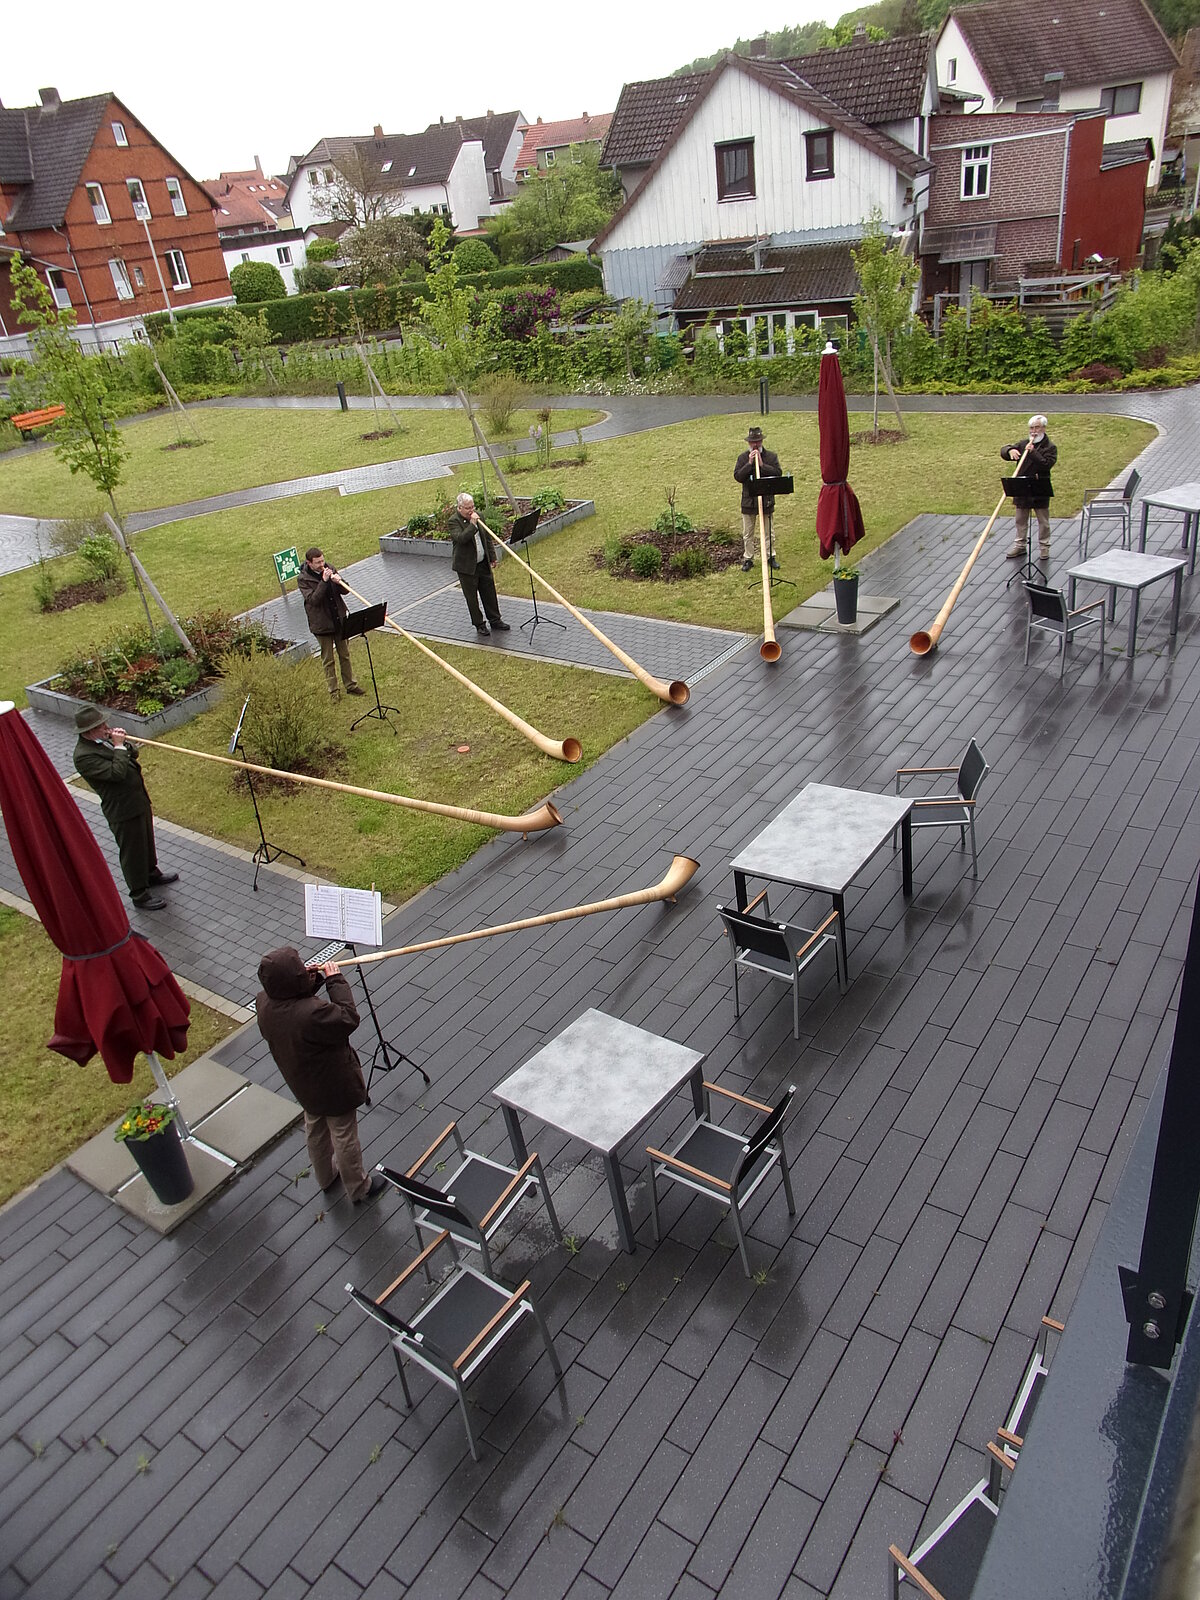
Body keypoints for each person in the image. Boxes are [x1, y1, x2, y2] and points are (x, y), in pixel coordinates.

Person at [255, 947, 386, 1206]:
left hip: (303, 1084)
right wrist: (335, 980)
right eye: (300, 969)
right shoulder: (312, 1014)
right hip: (333, 1085)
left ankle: (325, 1178)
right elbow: (347, 1017)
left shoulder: (264, 1003)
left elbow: (291, 1000)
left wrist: (311, 980)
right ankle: (358, 1188)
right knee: (344, 1134)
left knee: (315, 1129)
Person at [72, 707, 178, 910]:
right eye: (101, 725)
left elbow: (133, 754)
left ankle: (151, 873)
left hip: (138, 801)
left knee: (146, 841)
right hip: (122, 810)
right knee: (132, 851)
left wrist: (123, 744)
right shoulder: (84, 756)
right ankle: (139, 894)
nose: (106, 727)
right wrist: (119, 747)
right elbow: (116, 773)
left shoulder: (104, 742)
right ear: (89, 731)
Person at [298, 547, 365, 701]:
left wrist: (339, 581)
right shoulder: (303, 579)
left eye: (323, 560)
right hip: (321, 624)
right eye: (318, 562)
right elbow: (314, 600)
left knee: (345, 655)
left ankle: (351, 685)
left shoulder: (330, 567)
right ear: (309, 563)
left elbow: (345, 591)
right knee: (328, 659)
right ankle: (333, 691)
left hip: (338, 620)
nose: (322, 564)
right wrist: (324, 581)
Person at [446, 492, 511, 636]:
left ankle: (495, 620)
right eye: (468, 508)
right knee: (472, 598)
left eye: (472, 506)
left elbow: (487, 538)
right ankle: (479, 625)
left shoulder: (479, 515)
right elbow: (461, 538)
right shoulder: (453, 521)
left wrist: (492, 557)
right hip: (466, 567)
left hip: (482, 562)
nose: (471, 510)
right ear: (460, 508)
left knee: (489, 593)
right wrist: (472, 524)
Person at [1003, 415, 1057, 562]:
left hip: (1040, 488)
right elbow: (1005, 450)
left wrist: (1033, 452)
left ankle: (1044, 547)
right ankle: (1020, 545)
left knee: (1043, 521)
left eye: (1037, 427)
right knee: (1020, 519)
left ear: (1043, 428)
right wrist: (1009, 451)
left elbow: (1046, 464)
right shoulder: (1023, 443)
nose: (1034, 431)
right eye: (1031, 428)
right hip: (1022, 488)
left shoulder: (1050, 447)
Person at [734, 426, 783, 572]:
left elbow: (777, 473)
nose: (755, 444)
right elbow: (738, 476)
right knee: (748, 533)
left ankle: (770, 556)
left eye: (758, 441)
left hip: (766, 500)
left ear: (761, 441)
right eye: (752, 442)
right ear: (748, 443)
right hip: (749, 501)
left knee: (769, 531)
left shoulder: (771, 457)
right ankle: (748, 558)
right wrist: (749, 464)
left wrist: (762, 465)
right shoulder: (742, 458)